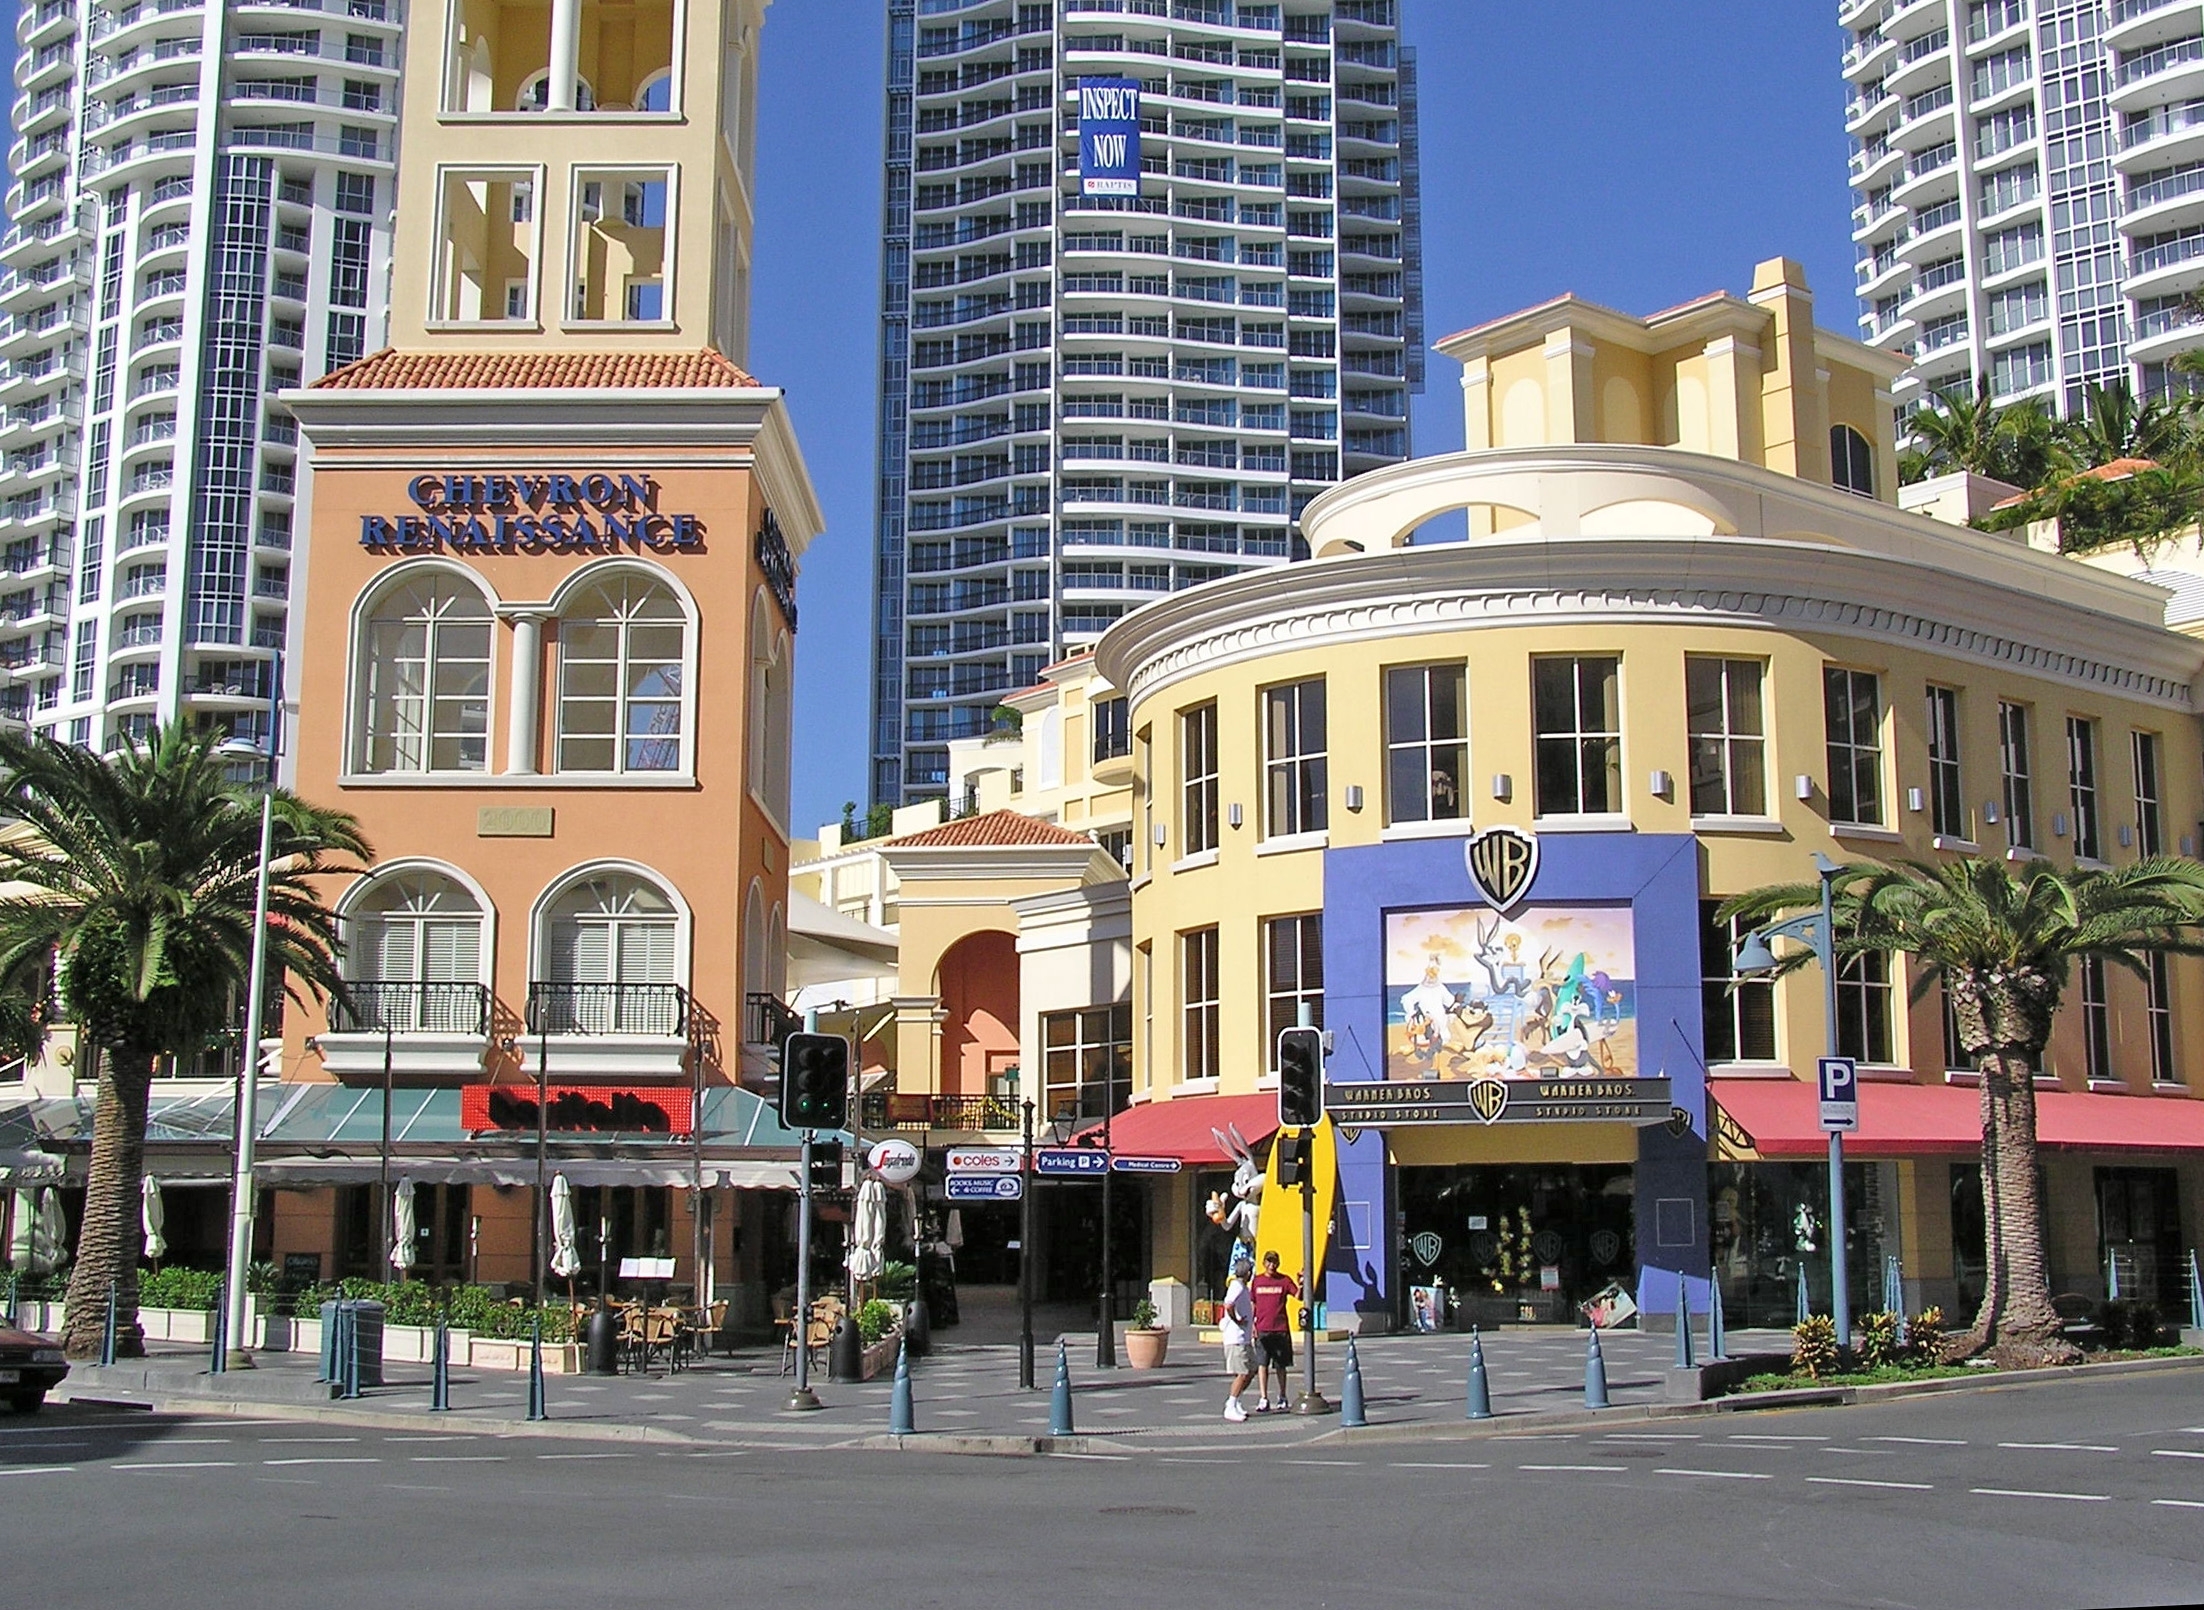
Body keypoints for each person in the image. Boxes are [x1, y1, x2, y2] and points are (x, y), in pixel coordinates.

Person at [1249, 1250, 1303, 1411]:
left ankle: (1282, 1395)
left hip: (1280, 1329)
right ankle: (1263, 1397)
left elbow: (1298, 1296)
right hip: (1262, 1329)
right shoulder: (1257, 1281)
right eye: (1269, 1262)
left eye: (1274, 1262)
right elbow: (1253, 1303)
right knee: (1262, 1364)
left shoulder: (1284, 1280)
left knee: (1280, 1365)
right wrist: (1252, 1324)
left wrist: (1301, 1284)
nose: (1271, 1265)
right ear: (1264, 1263)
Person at [1219, 1251, 1256, 1422]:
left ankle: (1237, 1400)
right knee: (1242, 1373)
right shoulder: (1236, 1286)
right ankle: (1230, 1405)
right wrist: (1237, 1319)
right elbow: (1228, 1305)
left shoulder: (1242, 1287)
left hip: (1244, 1338)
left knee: (1251, 1370)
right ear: (1247, 1272)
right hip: (1236, 1339)